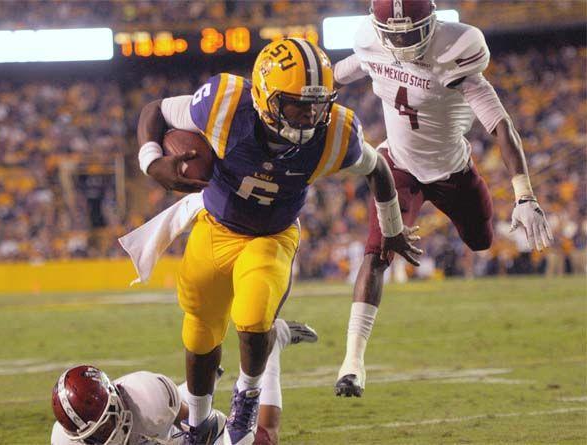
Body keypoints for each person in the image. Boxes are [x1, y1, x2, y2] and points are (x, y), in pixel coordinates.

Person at [135, 38, 421, 444]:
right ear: (266, 98)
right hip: (216, 227)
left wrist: (392, 228)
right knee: (200, 330)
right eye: (297, 105)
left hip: (271, 235)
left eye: (318, 104)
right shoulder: (225, 104)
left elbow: (378, 169)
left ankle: (247, 395)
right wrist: (151, 162)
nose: (309, 115)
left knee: (253, 317)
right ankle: (198, 424)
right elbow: (156, 111)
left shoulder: (336, 133)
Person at [332, 0, 553, 397]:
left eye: (409, 31)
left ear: (431, 24)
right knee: (376, 251)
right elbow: (340, 72)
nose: (400, 40)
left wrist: (524, 195)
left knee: (482, 240)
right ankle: (352, 363)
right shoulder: (370, 46)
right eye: (392, 33)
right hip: (397, 165)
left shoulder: (455, 55)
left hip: (453, 170)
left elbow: (502, 126)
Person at [51, 319, 318, 445]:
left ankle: (272, 345)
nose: (104, 435)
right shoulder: (64, 442)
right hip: (159, 423)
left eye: (106, 422)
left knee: (259, 441)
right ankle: (205, 380)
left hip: (175, 429)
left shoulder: (147, 396)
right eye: (94, 435)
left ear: (115, 399)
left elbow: (204, 428)